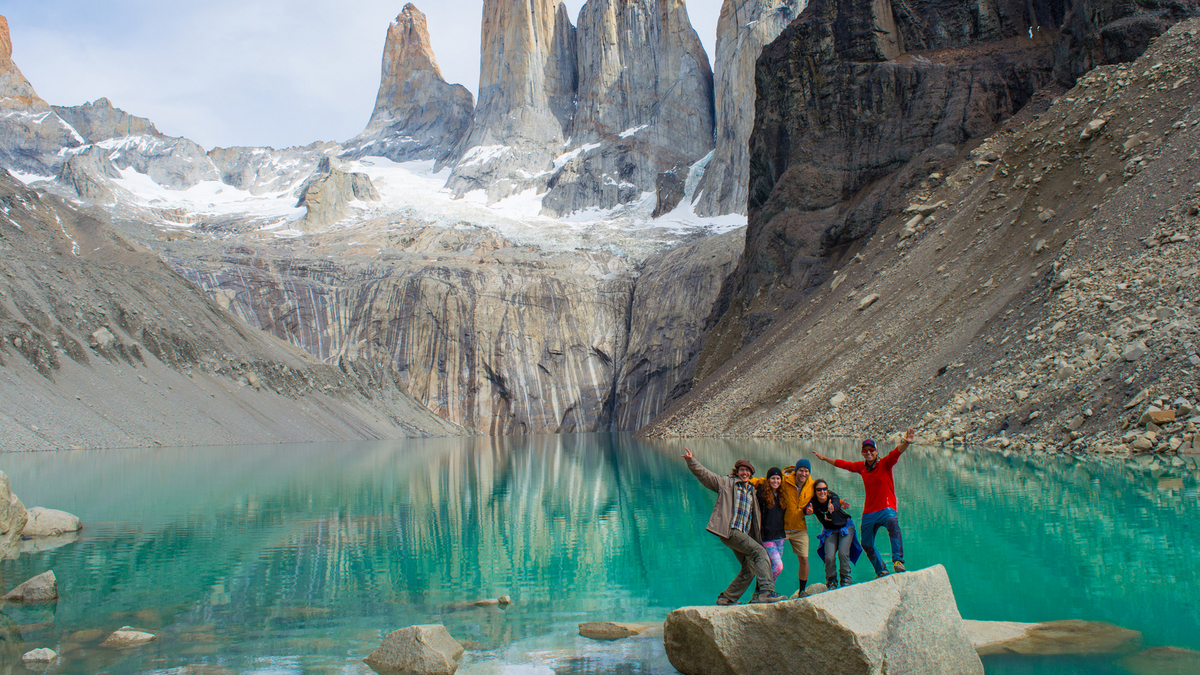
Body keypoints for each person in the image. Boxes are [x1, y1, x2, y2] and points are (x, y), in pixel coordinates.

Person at [682, 448, 786, 604]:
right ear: (737, 471)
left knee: (750, 567)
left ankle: (727, 598)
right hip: (730, 530)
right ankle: (766, 592)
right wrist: (691, 460)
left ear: (751, 473)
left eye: (747, 471)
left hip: (742, 534)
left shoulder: (752, 491)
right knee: (760, 553)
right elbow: (705, 475)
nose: (744, 473)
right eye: (742, 470)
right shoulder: (726, 483)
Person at [813, 428, 915, 577]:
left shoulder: (885, 463)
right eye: (865, 450)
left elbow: (896, 452)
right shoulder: (862, 467)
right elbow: (844, 465)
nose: (868, 452)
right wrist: (824, 459)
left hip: (886, 508)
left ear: (876, 451)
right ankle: (881, 570)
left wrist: (906, 443)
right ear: (862, 452)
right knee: (866, 544)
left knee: (893, 524)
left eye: (871, 450)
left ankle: (897, 560)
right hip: (869, 511)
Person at [753, 459, 815, 592]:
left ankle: (801, 591)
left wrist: (837, 502)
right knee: (774, 564)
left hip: (797, 528)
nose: (803, 473)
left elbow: (825, 494)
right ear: (796, 471)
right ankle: (763, 590)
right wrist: (745, 478)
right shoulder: (784, 481)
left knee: (803, 560)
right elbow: (763, 481)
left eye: (806, 471)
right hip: (780, 529)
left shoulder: (812, 486)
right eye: (801, 470)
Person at [804, 479, 862, 589]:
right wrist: (806, 511)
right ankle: (831, 581)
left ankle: (846, 580)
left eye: (824, 489)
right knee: (829, 557)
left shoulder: (832, 497)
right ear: (815, 491)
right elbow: (805, 508)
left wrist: (834, 506)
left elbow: (836, 502)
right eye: (819, 490)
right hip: (830, 530)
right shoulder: (813, 502)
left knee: (843, 553)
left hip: (845, 527)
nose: (822, 492)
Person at [755, 467, 787, 581]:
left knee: (770, 565)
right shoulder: (761, 494)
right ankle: (768, 586)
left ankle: (763, 588)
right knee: (778, 567)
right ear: (768, 480)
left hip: (780, 537)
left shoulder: (782, 495)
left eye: (778, 478)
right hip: (767, 537)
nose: (775, 481)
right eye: (773, 478)